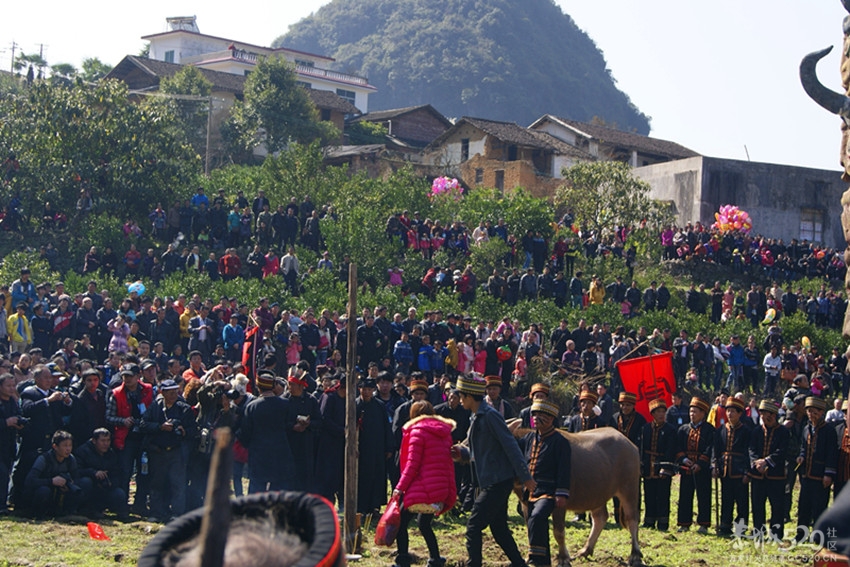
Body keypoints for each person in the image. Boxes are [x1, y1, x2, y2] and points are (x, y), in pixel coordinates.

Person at [451, 375, 535, 567]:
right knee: (499, 528)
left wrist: (525, 477)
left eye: (461, 396)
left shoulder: (490, 416)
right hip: (490, 480)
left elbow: (510, 446)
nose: (460, 399)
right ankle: (519, 564)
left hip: (497, 481)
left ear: (470, 396)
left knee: (473, 526)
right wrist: (461, 453)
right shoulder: (477, 416)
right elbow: (481, 449)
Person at [392, 400, 456, 567]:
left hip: (423, 487)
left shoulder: (417, 432)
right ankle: (435, 559)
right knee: (424, 523)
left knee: (401, 522)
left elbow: (412, 464)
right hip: (440, 487)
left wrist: (400, 487)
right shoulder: (444, 432)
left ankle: (403, 560)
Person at [517, 399, 571, 567]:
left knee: (537, 518)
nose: (536, 418)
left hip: (549, 491)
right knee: (537, 525)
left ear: (551, 419)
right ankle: (544, 563)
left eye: (541, 415)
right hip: (530, 492)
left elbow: (564, 470)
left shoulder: (560, 442)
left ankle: (534, 557)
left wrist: (561, 493)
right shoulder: (528, 438)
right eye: (534, 414)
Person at [238, 372, 296, 493]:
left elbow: (245, 433)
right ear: (274, 386)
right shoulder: (285, 404)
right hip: (280, 453)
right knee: (279, 490)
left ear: (258, 387)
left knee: (256, 489)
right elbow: (290, 426)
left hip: (258, 453)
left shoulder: (252, 406)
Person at [795, 396, 838, 536]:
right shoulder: (806, 428)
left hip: (820, 475)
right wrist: (801, 456)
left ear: (821, 413)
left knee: (819, 507)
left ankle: (819, 535)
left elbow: (832, 454)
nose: (811, 414)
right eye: (808, 411)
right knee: (803, 506)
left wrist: (829, 474)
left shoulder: (829, 431)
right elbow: (803, 447)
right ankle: (801, 534)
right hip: (806, 474)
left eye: (814, 412)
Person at [748, 399, 789, 541]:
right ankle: (758, 531)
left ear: (775, 415)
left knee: (777, 506)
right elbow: (752, 449)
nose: (767, 417)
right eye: (764, 414)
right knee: (757, 504)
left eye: (770, 414)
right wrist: (757, 463)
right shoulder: (756, 431)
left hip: (776, 476)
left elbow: (783, 451)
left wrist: (767, 461)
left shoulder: (783, 432)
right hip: (758, 475)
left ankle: (776, 534)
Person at [712, 396, 751, 536]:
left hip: (739, 470)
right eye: (728, 411)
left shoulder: (746, 431)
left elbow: (748, 452)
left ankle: (741, 528)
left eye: (733, 411)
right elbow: (715, 450)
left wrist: (747, 471)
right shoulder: (720, 430)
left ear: (740, 413)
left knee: (742, 501)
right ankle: (725, 526)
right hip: (725, 470)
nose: (730, 414)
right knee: (726, 499)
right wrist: (715, 465)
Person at [675, 397, 714, 533]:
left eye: (695, 411)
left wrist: (700, 463)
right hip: (686, 467)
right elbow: (677, 447)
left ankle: (703, 524)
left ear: (703, 413)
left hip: (701, 468)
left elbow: (710, 448)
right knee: (685, 496)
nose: (692, 414)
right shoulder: (683, 429)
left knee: (703, 495)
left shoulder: (709, 430)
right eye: (691, 411)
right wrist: (684, 460)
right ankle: (684, 523)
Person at [23, 430, 83, 518]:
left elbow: (77, 478)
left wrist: (69, 484)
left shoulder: (71, 459)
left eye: (70, 445)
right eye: (65, 445)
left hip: (59, 493)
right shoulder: (44, 459)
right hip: (41, 492)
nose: (68, 449)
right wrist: (51, 481)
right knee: (44, 491)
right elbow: (29, 481)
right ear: (55, 446)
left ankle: (69, 512)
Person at [74, 428, 128, 520]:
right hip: (88, 485)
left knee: (119, 493)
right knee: (86, 482)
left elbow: (116, 472)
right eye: (102, 441)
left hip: (104, 487)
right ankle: (81, 510)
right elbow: (76, 471)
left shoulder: (111, 453)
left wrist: (111, 482)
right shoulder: (83, 451)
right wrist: (93, 473)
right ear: (94, 441)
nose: (106, 444)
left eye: (108, 440)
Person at [640, 398, 676, 531]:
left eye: (663, 411)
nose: (661, 414)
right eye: (658, 412)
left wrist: (666, 467)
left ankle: (663, 523)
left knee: (663, 495)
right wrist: (642, 464)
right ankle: (649, 521)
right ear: (652, 414)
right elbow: (642, 448)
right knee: (649, 494)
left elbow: (671, 449)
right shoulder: (645, 429)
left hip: (663, 464)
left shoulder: (670, 430)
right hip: (648, 465)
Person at [0, 373, 24, 514]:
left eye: (13, 385)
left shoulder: (13, 402)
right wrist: (5, 423)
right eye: (8, 385)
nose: (11, 388)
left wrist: (19, 423)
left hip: (9, 445)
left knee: (6, 473)